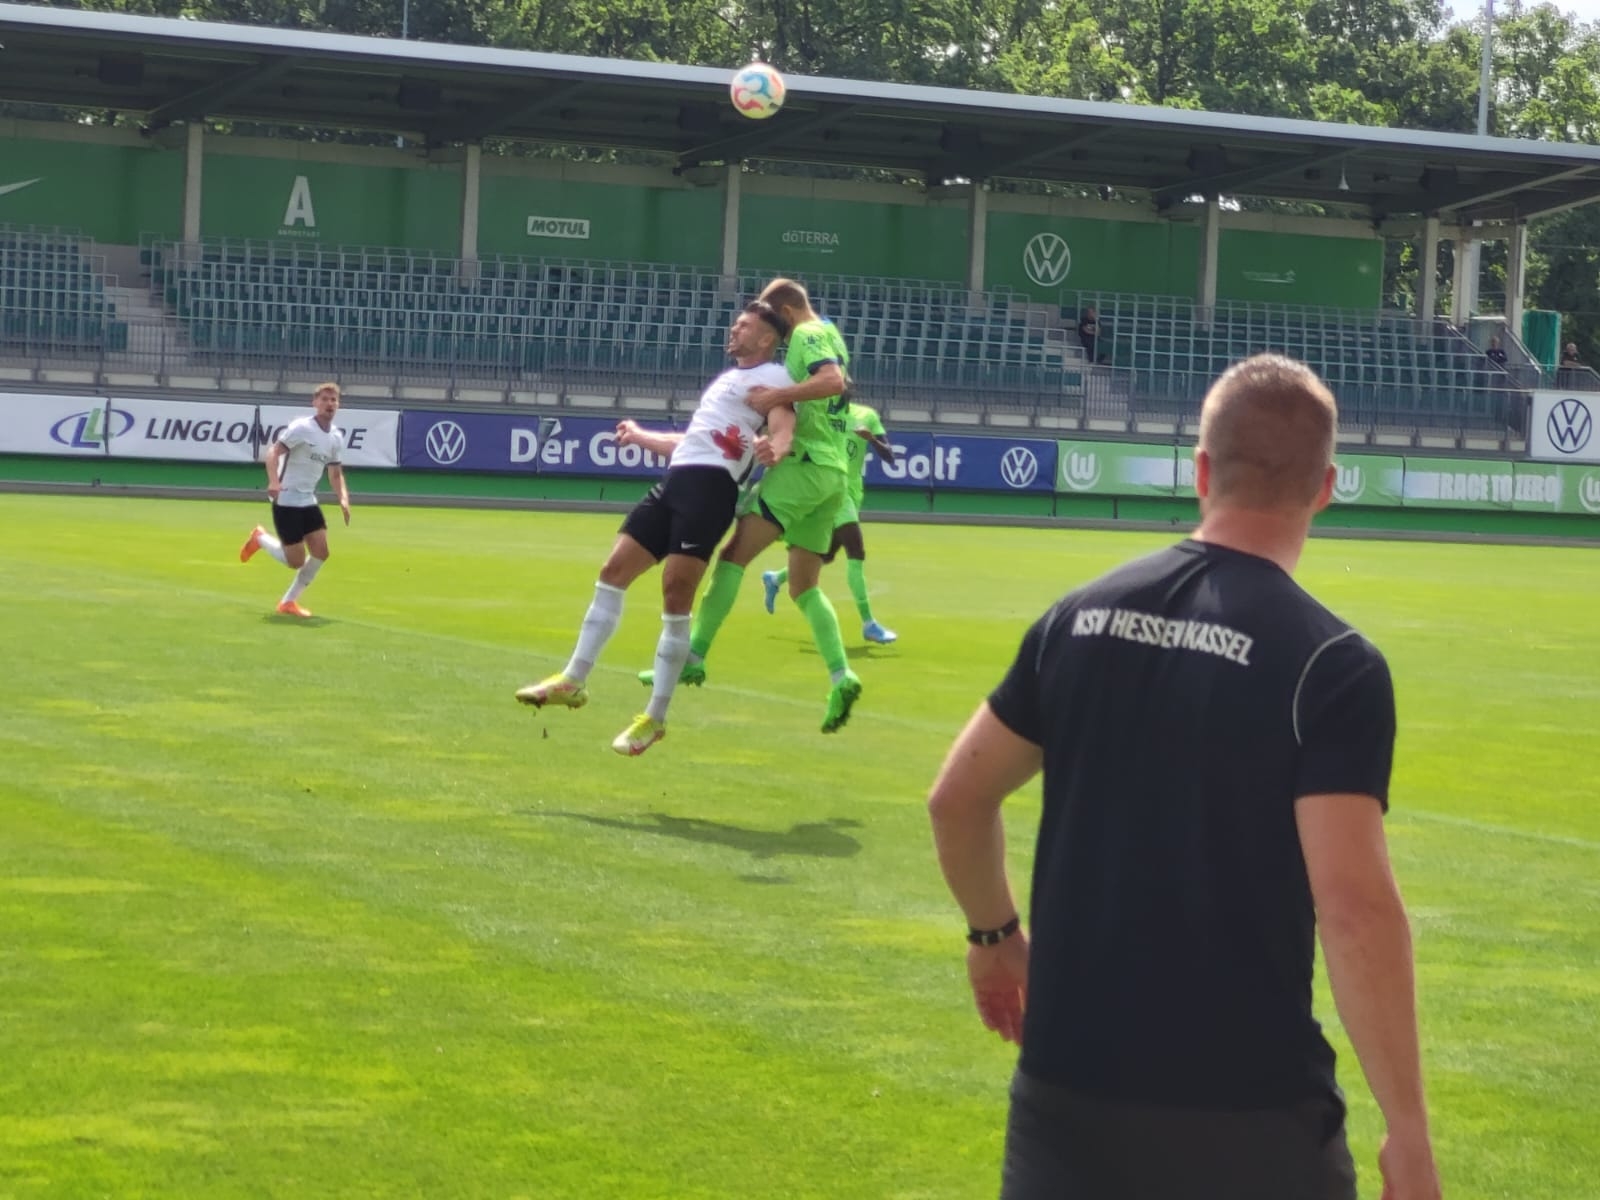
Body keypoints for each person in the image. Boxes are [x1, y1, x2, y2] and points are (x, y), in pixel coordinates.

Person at [927, 354, 1441, 1200]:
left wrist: (995, 939)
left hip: (1066, 1102)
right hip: (1249, 1117)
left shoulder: (1076, 618)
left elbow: (957, 798)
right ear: (1326, 487)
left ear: (1201, 471)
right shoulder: (1332, 664)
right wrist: (1408, 1129)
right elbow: (1354, 905)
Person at [514, 302, 792, 756]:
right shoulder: (727, 380)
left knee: (675, 595)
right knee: (613, 571)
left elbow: (783, 425)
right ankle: (573, 679)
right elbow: (693, 442)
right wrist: (641, 436)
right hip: (677, 481)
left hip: (711, 491)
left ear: (765, 339)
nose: (734, 329)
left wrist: (775, 449)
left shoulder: (775, 377)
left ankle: (655, 717)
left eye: (744, 326)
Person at [638, 277, 863, 733]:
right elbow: (842, 384)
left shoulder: (807, 333)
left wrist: (777, 397)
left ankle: (694, 655)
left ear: (788, 311)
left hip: (805, 467)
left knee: (732, 557)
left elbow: (832, 381)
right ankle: (842, 676)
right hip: (834, 475)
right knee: (804, 587)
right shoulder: (832, 334)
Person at [760, 399, 899, 644]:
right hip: (834, 487)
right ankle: (869, 623)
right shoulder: (821, 413)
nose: (845, 383)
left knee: (825, 554)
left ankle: (776, 578)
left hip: (852, 492)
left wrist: (871, 439)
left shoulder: (866, 415)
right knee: (856, 550)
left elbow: (889, 456)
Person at [239, 381, 350, 618]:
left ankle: (288, 602)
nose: (329, 403)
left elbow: (335, 473)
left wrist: (343, 499)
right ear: (315, 402)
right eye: (324, 399)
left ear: (338, 405)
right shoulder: (301, 428)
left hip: (308, 500)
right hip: (286, 499)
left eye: (333, 400)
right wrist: (273, 481)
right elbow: (273, 451)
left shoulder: (336, 437)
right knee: (296, 561)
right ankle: (260, 538)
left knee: (321, 552)